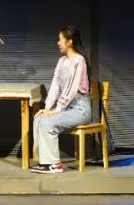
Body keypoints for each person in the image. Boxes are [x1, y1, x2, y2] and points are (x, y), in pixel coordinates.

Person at [31, 25, 91, 174]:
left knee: (48, 122)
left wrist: (57, 109)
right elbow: (55, 85)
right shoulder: (61, 61)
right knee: (38, 119)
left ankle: (54, 164)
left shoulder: (79, 60)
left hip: (80, 109)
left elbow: (71, 88)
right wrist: (47, 107)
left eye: (60, 40)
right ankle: (44, 162)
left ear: (69, 42)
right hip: (66, 107)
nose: (58, 43)